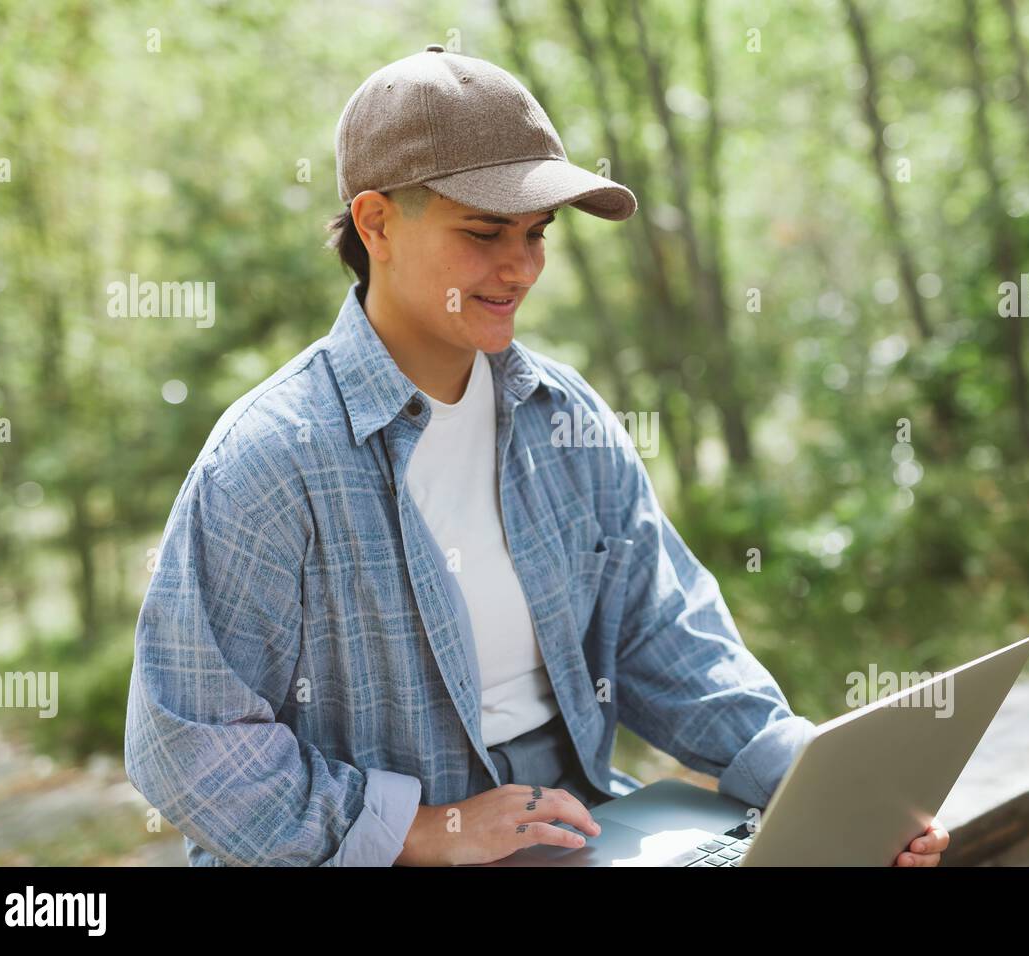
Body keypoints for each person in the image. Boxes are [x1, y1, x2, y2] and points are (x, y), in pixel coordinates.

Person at [123, 44, 949, 868]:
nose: (519, 267)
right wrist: (423, 832)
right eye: (483, 233)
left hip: (577, 826)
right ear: (376, 223)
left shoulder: (566, 419)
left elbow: (663, 636)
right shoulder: (269, 461)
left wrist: (819, 782)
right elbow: (186, 744)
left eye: (536, 233)